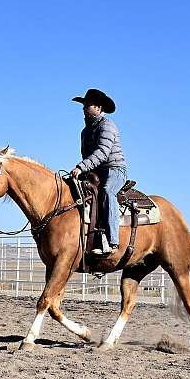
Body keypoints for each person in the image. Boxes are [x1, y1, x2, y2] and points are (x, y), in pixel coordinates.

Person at [70, 89, 127, 255]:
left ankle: (112, 241)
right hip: (96, 171)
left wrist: (81, 167)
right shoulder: (85, 132)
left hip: (115, 169)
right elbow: (87, 155)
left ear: (99, 108)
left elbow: (102, 152)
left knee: (107, 192)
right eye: (84, 105)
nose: (84, 108)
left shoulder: (107, 125)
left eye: (88, 105)